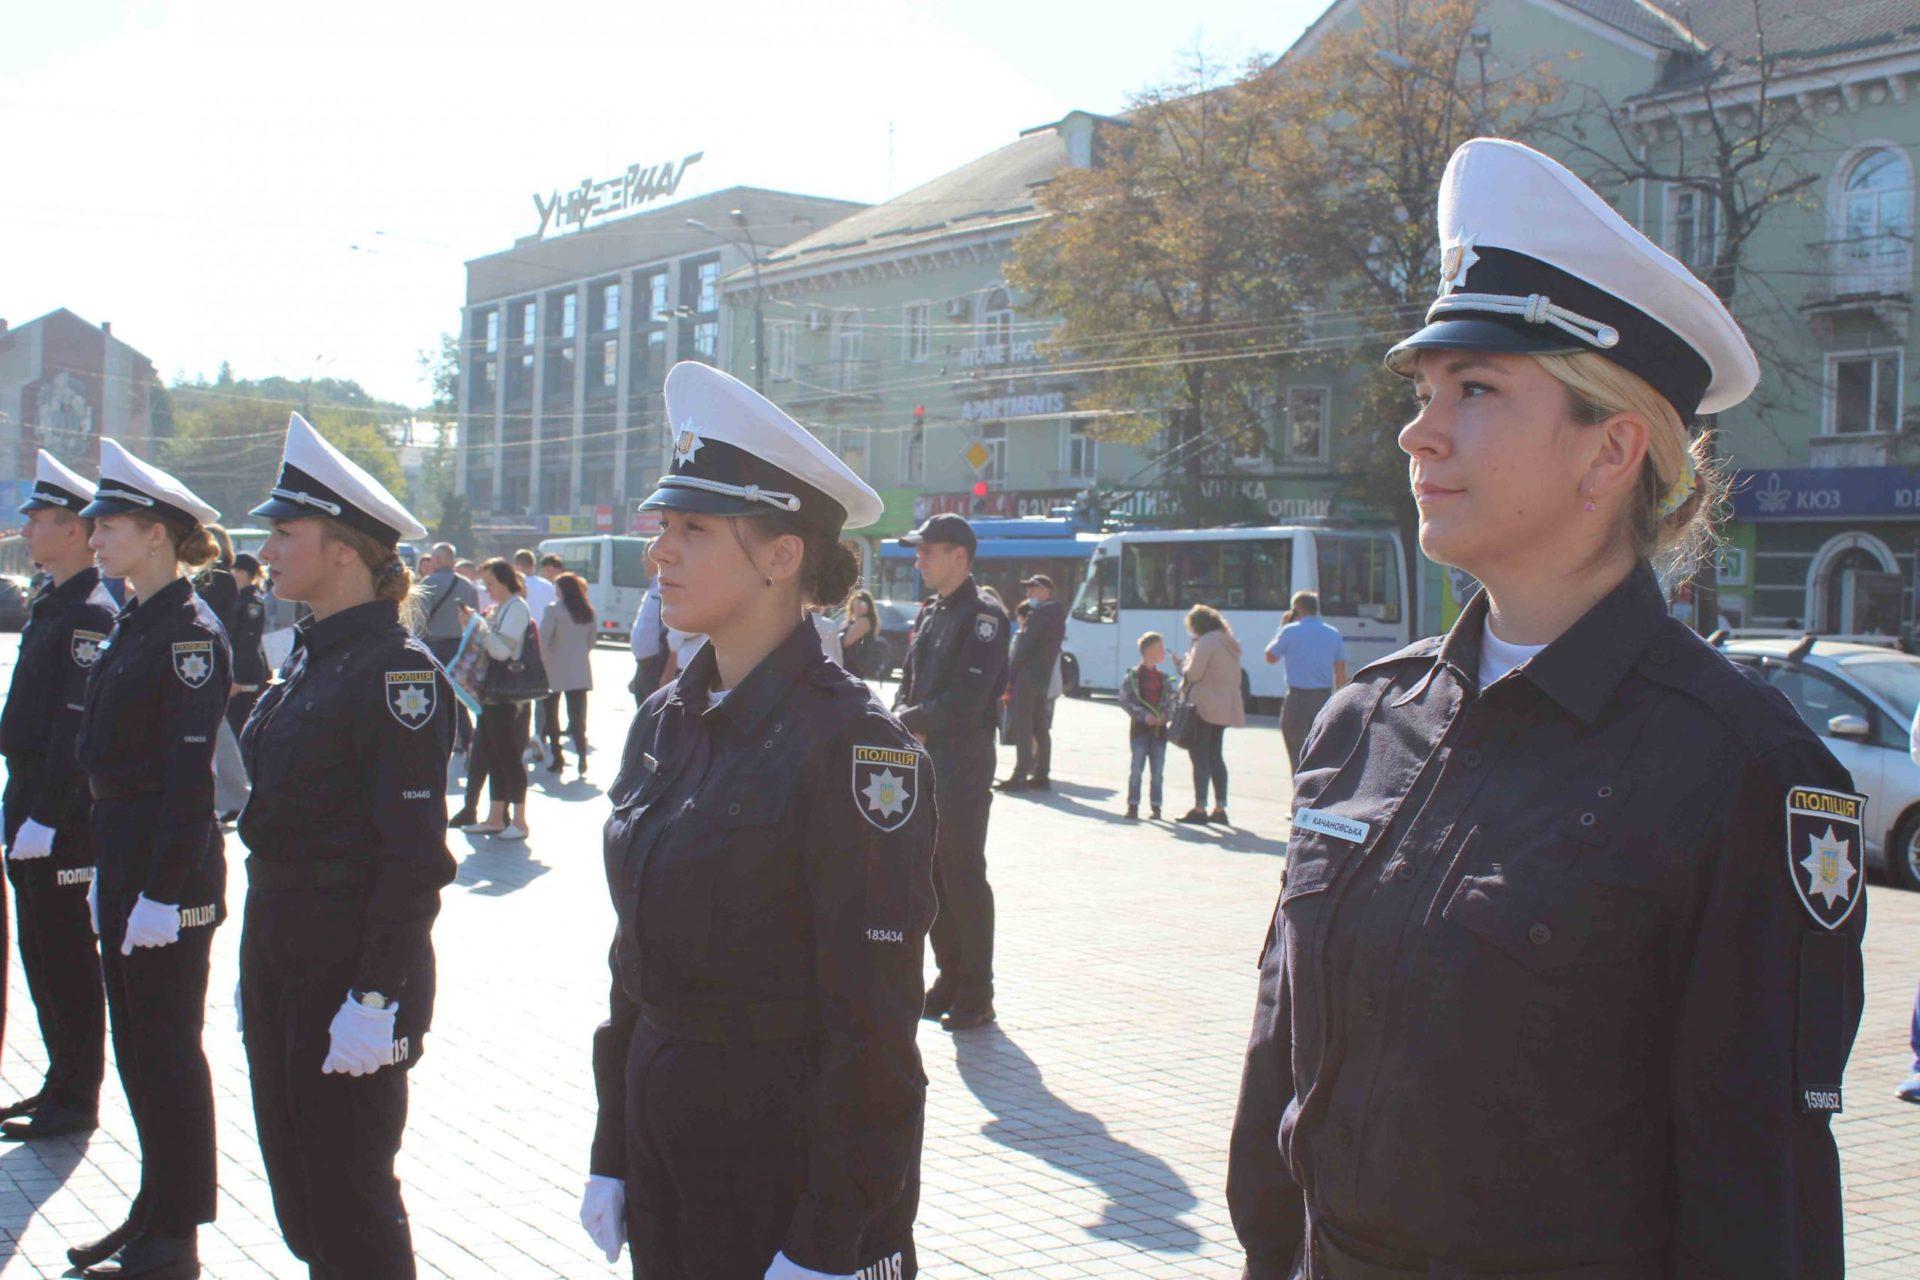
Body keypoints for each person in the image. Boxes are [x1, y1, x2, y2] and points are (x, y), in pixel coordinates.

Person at [1227, 138, 1864, 1280]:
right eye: (1424, 392)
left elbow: (1758, 1194)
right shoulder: (1366, 719)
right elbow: (1282, 1073)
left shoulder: (1742, 770)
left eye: (1475, 390)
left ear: (1612, 447)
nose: (1420, 431)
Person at [580, 362, 935, 1279]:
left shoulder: (855, 748)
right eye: (663, 525)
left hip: (783, 1171)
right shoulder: (666, 719)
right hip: (669, 1151)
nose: (658, 551)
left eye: (693, 529)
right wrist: (613, 1146)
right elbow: (635, 963)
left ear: (783, 557)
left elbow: (874, 1032)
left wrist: (830, 1241)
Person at [240, 412, 456, 1279]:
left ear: (344, 550)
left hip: (347, 953)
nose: (270, 550)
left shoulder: (396, 672)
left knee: (351, 1190)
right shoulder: (314, 659)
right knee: (299, 1184)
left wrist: (376, 994)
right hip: (282, 936)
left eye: (286, 533)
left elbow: (413, 858)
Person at [71, 438, 229, 1278]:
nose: (95, 539)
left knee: (167, 1047)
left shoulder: (189, 634)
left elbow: (186, 780)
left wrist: (164, 891)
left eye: (111, 526)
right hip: (126, 854)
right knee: (136, 1044)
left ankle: (177, 1229)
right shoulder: (138, 618)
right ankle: (153, 1206)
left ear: (158, 534)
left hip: (168, 871)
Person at [0, 451, 114, 1142]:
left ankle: (77, 1095)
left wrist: (45, 815)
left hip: (61, 818)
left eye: (40, 520)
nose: (28, 531)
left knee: (67, 958)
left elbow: (76, 726)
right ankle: (58, 1080)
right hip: (29, 803)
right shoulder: (54, 600)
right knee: (42, 953)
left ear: (74, 529)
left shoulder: (89, 615)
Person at [893, 512, 1008, 1032]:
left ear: (958, 556)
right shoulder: (934, 611)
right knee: (932, 875)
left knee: (962, 873)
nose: (919, 559)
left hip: (961, 761)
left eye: (927, 550)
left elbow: (967, 699)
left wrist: (910, 720)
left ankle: (977, 991)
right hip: (923, 759)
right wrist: (897, 718)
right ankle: (950, 977)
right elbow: (910, 680)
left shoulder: (984, 617)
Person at [455, 559, 534, 840]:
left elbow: (501, 651)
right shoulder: (504, 607)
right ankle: (495, 817)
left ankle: (520, 821)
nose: (487, 590)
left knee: (509, 756)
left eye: (490, 583)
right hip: (492, 696)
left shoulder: (516, 608)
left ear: (504, 580)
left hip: (506, 696)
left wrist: (479, 627)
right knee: (493, 755)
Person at [1263, 590, 1347, 775]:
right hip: (1323, 698)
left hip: (1296, 698)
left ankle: (1299, 790)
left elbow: (1270, 656)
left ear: (1296, 610)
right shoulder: (1333, 633)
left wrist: (1282, 627)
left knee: (1296, 750)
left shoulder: (1289, 631)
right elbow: (1340, 671)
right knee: (1320, 750)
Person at [199, 524, 250, 823]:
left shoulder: (217, 579)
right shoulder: (213, 577)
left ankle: (235, 794)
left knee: (215, 729)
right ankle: (231, 794)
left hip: (208, 658)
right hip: (206, 658)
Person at [1176, 604, 1244, 826]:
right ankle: (1220, 807)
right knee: (1216, 756)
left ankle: (1199, 807)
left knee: (1199, 757)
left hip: (1203, 706)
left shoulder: (1206, 642)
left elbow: (1194, 673)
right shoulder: (1228, 641)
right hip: (1224, 707)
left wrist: (1183, 665)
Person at [998, 574, 1065, 793]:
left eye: (1033, 589)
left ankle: (1020, 775)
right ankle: (1041, 774)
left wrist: (1011, 676)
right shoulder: (1057, 613)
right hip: (1042, 678)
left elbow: (1024, 647)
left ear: (1046, 590)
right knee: (1039, 726)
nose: (1028, 594)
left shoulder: (1041, 613)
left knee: (1024, 727)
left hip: (1027, 677)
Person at [416, 542, 479, 755]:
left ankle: (441, 739)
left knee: (434, 694)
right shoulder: (468, 585)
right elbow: (475, 618)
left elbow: (419, 619)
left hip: (434, 645)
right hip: (460, 645)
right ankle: (467, 737)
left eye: (434, 558)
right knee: (459, 694)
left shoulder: (428, 583)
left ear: (439, 560)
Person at [540, 571, 595, 777]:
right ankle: (581, 755)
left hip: (554, 669)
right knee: (577, 716)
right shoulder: (588, 611)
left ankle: (557, 756)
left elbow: (545, 639)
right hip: (580, 669)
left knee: (552, 715)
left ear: (562, 590)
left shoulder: (553, 610)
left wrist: (542, 662)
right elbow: (591, 642)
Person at [1118, 630, 1175, 822]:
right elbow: (1125, 700)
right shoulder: (1133, 676)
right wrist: (1144, 716)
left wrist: (1165, 716)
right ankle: (1133, 805)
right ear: (1149, 650)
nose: (1164, 653)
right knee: (1136, 769)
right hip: (1140, 730)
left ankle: (1156, 807)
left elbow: (1171, 701)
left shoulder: (1165, 678)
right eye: (1160, 648)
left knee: (1157, 772)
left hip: (1159, 732)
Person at [226, 553, 271, 737]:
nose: (232, 574)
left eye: (235, 570)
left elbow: (247, 643)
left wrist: (238, 679)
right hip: (236, 671)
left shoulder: (252, 602)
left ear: (244, 573)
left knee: (240, 728)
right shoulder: (238, 599)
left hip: (245, 675)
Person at [628, 571, 668, 695]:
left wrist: (667, 672)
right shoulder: (653, 586)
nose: (643, 559)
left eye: (645, 554)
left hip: (657, 666)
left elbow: (670, 635)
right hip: (643, 665)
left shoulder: (665, 587)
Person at [840, 589, 881, 679]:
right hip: (849, 666)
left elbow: (846, 642)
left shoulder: (863, 621)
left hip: (853, 667)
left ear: (868, 607)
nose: (858, 607)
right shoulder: (853, 620)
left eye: (861, 604)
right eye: (855, 603)